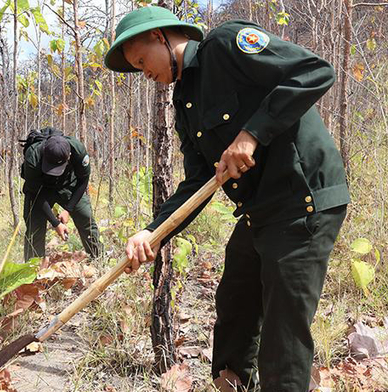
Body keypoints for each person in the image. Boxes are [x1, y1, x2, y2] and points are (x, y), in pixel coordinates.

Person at [104, 6, 350, 392]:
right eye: (137, 68)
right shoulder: (185, 103)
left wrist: (252, 133)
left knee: (281, 340)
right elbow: (198, 182)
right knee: (234, 310)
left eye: (142, 60)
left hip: (303, 200)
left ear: (160, 37)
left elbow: (315, 70)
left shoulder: (225, 45)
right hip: (259, 212)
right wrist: (151, 232)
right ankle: (231, 383)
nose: (146, 73)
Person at [21, 127, 103, 261]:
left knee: (86, 219)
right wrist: (55, 223)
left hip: (69, 187)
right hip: (41, 190)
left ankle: (98, 259)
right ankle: (32, 271)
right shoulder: (33, 156)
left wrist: (68, 209)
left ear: (69, 156)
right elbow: (35, 193)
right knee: (34, 229)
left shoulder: (78, 150)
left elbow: (83, 181)